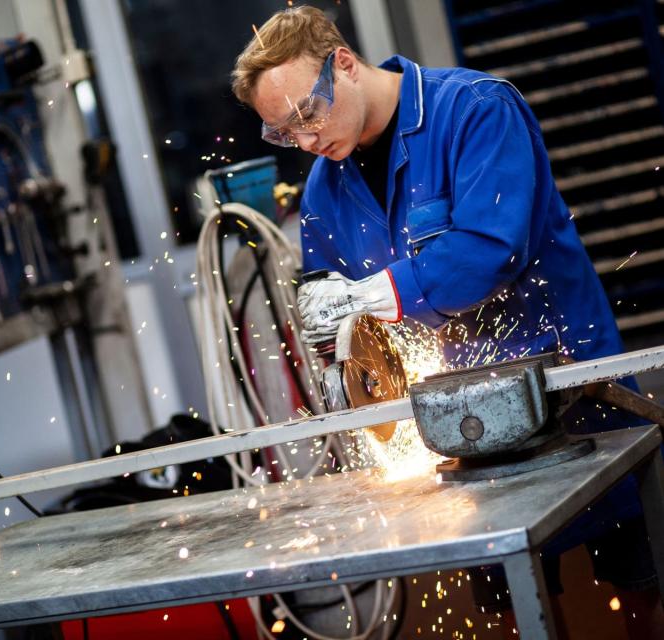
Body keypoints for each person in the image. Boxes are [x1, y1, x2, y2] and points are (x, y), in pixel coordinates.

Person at [231, 5, 662, 637]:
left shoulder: (477, 110)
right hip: (457, 424)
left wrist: (376, 292)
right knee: (519, 598)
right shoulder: (325, 189)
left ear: (344, 64)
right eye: (283, 133)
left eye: (306, 114)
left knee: (638, 594)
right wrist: (339, 362)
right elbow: (342, 326)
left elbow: (494, 246)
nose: (304, 139)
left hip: (570, 386)